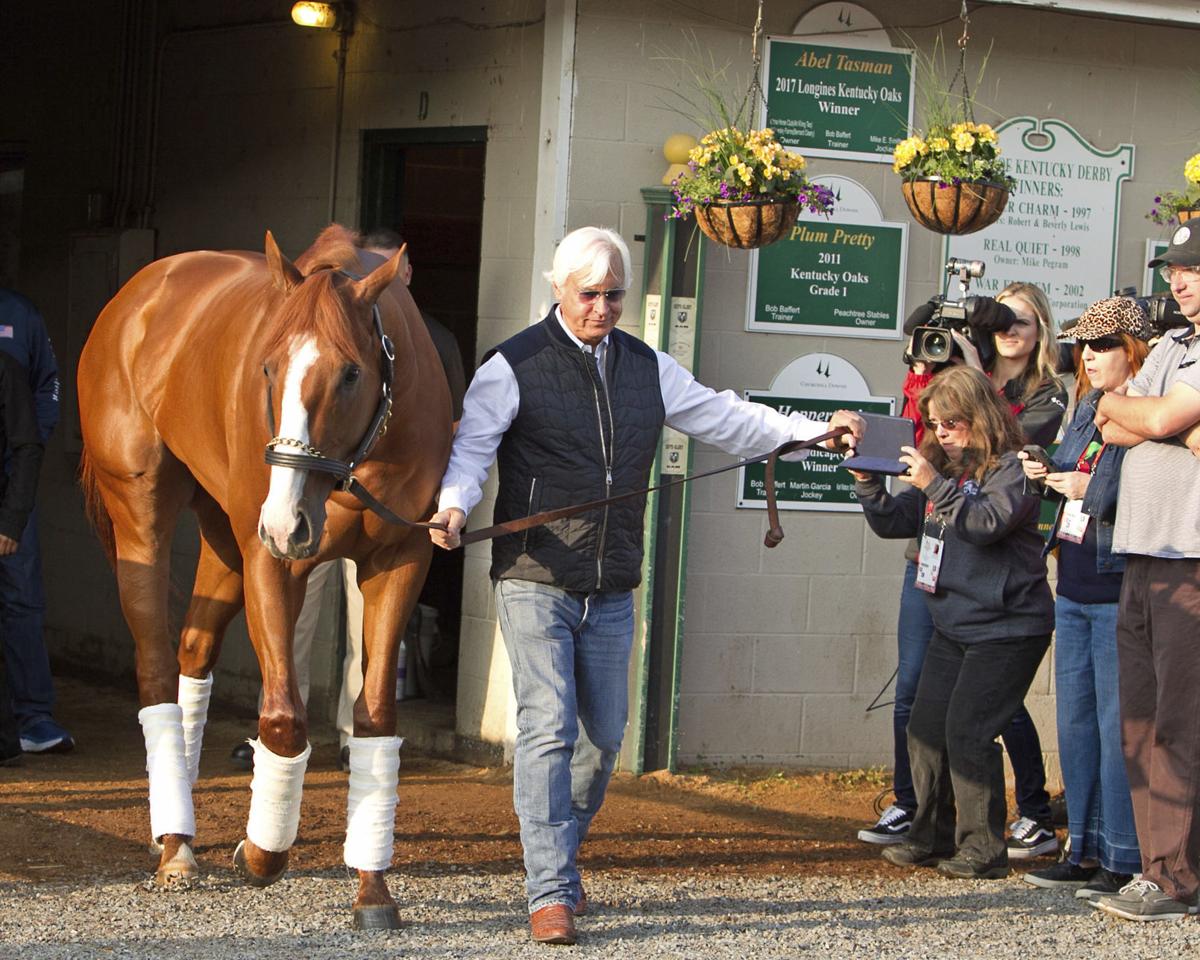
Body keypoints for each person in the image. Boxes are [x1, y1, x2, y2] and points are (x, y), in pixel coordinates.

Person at [428, 226, 864, 945]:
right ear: (557, 290)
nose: (602, 307)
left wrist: (813, 431)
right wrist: (452, 505)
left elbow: (728, 418)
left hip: (613, 580)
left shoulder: (648, 367)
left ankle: (559, 866)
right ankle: (548, 892)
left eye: (614, 295)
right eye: (589, 295)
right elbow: (473, 448)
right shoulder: (512, 365)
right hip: (536, 573)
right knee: (547, 729)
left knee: (603, 741)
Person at [230, 230, 467, 770]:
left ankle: (350, 735)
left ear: (402, 278)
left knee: (371, 627)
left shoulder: (436, 341)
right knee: (298, 607)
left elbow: (453, 422)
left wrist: (443, 495)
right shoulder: (317, 333)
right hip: (321, 492)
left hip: (385, 506)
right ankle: (286, 724)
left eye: (384, 273)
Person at [860, 283, 1066, 860]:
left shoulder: (1015, 466)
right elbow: (897, 521)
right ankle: (928, 835)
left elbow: (984, 524)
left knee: (969, 732)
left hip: (1008, 626)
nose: (942, 433)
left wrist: (935, 481)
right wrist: (868, 483)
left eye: (951, 423)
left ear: (978, 416)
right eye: (935, 423)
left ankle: (982, 849)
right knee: (925, 730)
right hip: (956, 621)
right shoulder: (949, 464)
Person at [1085, 226, 1200, 921]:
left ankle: (1177, 878)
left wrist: (1155, 417)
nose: (1180, 281)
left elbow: (1148, 413)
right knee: (1141, 720)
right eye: (1175, 269)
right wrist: (1163, 423)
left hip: (1189, 558)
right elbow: (1113, 421)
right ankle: (1157, 870)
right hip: (1141, 552)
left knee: (1180, 723)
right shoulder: (1172, 347)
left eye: (1193, 270)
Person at [1019, 297, 1151, 902]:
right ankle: (1083, 849)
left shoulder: (1149, 412)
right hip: (1071, 581)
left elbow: (1143, 489)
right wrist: (1044, 468)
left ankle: (1121, 857)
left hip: (1118, 581)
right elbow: (1073, 471)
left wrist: (1087, 485)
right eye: (1083, 347)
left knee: (1113, 725)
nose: (1089, 357)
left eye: (1103, 346)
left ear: (1133, 351)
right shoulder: (1085, 406)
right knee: (1073, 725)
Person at [0, 288, 68, 754]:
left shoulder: (19, 313)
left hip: (11, 480)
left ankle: (34, 716)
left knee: (21, 597)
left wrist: (27, 440)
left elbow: (48, 385)